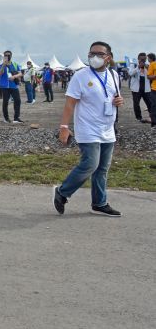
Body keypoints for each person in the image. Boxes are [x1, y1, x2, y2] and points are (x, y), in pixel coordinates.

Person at [53, 41, 124, 217]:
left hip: (107, 129)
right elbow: (70, 103)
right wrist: (64, 127)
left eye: (99, 54)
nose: (94, 57)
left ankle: (99, 203)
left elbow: (113, 97)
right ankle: (62, 192)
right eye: (91, 53)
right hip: (88, 128)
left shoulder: (114, 75)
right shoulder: (81, 76)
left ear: (108, 57)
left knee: (102, 168)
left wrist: (119, 101)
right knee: (90, 164)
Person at [0, 50, 23, 123]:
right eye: (5, 55)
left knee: (18, 101)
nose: (7, 56)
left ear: (11, 56)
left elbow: (20, 73)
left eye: (8, 55)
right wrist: (4, 64)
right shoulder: (1, 65)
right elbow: (0, 73)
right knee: (5, 102)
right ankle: (6, 118)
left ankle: (16, 118)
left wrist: (14, 76)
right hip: (5, 86)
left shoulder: (15, 64)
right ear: (4, 56)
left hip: (14, 86)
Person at [128, 53, 152, 124]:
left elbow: (151, 75)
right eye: (141, 59)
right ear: (138, 59)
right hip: (136, 88)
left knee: (149, 103)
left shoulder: (148, 66)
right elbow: (130, 73)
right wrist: (138, 67)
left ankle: (152, 116)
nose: (143, 61)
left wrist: (148, 68)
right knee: (136, 103)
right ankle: (139, 117)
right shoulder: (133, 65)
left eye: (144, 59)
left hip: (146, 88)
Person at [146, 53, 156, 130]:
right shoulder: (152, 64)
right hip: (154, 89)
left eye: (148, 58)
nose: (147, 59)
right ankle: (154, 123)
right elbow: (148, 76)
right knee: (154, 106)